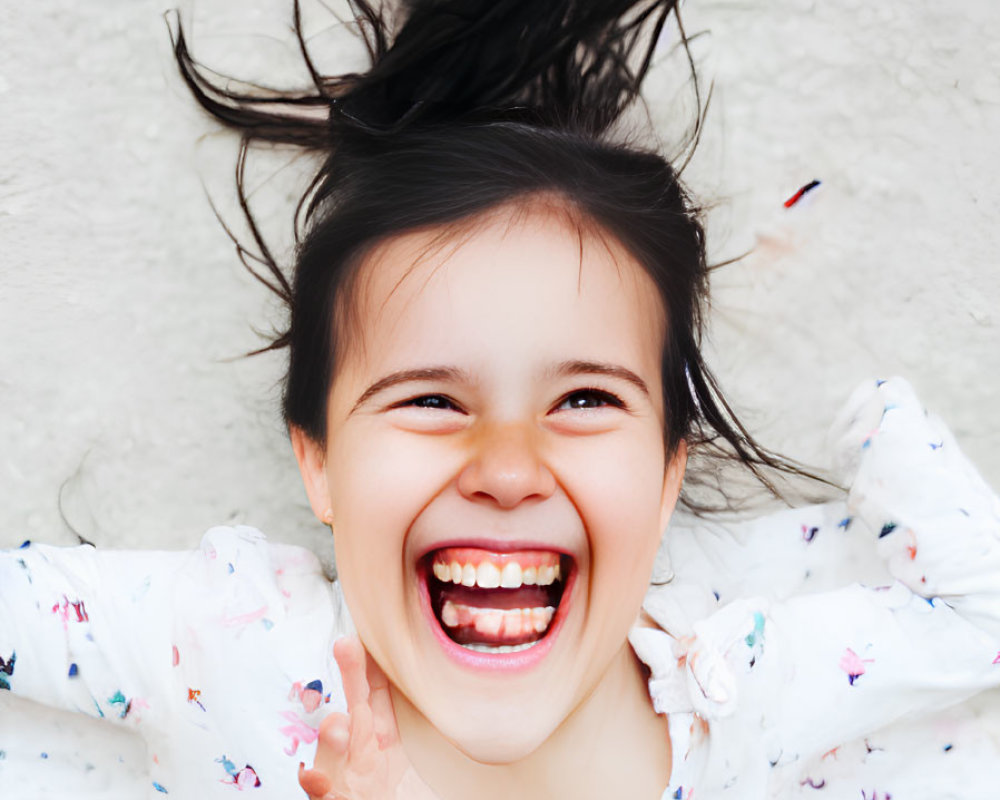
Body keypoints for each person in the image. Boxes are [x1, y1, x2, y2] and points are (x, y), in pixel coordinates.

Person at [2, 1, 999, 798]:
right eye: (432, 399)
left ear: (665, 474)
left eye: (584, 399)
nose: (511, 467)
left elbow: (974, 621)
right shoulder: (233, 644)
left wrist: (882, 418)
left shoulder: (745, 692)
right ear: (317, 460)